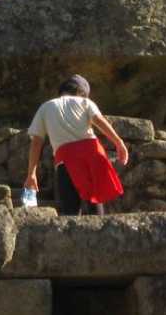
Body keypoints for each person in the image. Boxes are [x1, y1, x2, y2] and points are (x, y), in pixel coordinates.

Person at [24, 75, 129, 216]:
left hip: (65, 160)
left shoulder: (46, 107)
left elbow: (36, 142)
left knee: (70, 211)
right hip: (92, 155)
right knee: (95, 206)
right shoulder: (85, 102)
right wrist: (118, 142)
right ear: (82, 92)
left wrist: (31, 174)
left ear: (62, 91)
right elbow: (99, 120)